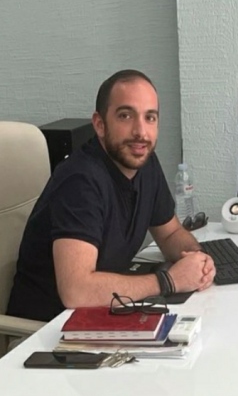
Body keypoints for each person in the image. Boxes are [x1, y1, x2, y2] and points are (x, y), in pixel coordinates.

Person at [7, 69, 216, 322]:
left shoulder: (145, 163)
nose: (141, 132)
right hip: (46, 329)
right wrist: (169, 281)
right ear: (100, 124)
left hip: (99, 314)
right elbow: (76, 291)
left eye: (150, 117)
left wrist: (197, 259)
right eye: (126, 115)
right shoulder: (80, 181)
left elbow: (170, 233)